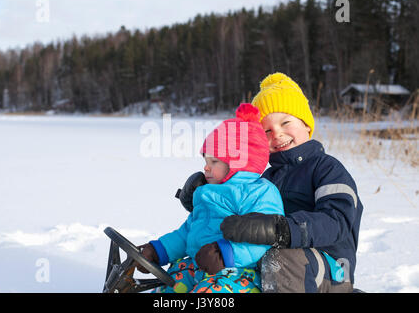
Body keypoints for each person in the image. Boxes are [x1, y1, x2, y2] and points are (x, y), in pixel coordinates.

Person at [180, 73, 363, 293]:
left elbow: (337, 221)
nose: (276, 134)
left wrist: (280, 229)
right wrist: (202, 196)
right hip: (276, 268)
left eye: (285, 122)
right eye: (267, 130)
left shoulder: (327, 169)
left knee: (278, 257)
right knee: (236, 258)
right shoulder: (266, 179)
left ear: (306, 124)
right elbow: (234, 209)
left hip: (331, 271)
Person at [137, 103, 285, 293]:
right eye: (205, 161)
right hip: (197, 265)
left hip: (239, 273)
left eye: (214, 161)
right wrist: (159, 250)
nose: (206, 168)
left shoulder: (259, 192)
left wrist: (225, 254)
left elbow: (264, 239)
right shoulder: (206, 192)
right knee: (168, 284)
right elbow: (187, 233)